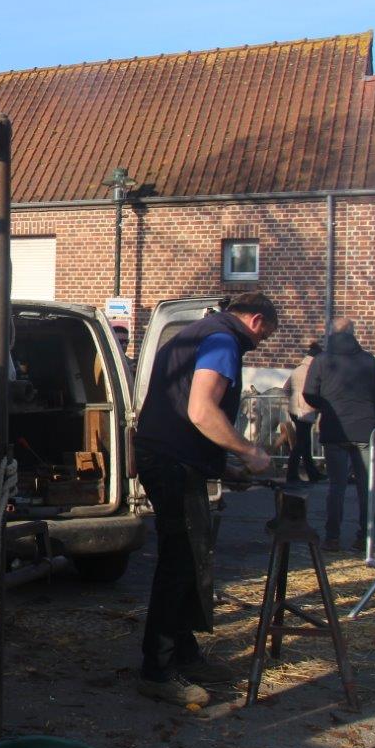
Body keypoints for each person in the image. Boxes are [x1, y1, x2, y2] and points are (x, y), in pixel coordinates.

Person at [133, 293, 278, 707]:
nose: (262, 342)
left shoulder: (197, 331)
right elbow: (200, 411)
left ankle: (182, 653)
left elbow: (180, 408)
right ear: (255, 320)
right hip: (171, 462)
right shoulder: (223, 340)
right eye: (266, 334)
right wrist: (248, 451)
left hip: (171, 458)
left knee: (188, 558)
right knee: (179, 562)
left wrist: (220, 467)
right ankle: (156, 672)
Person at [303, 319, 375, 552]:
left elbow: (309, 394)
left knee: (336, 486)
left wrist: (327, 406)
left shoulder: (322, 360)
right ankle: (365, 537)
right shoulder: (369, 361)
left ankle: (332, 537)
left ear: (330, 333)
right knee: (366, 486)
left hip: (334, 428)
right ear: (354, 333)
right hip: (364, 428)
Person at [284, 342, 324, 485]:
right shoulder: (312, 371)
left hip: (294, 409)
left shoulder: (297, 369)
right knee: (302, 443)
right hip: (305, 409)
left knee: (304, 443)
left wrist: (293, 399)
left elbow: (286, 388)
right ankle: (292, 474)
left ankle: (312, 473)